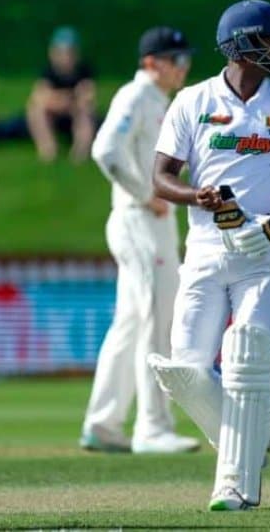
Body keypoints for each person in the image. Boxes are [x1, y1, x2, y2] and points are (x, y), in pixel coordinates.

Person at [147, 0, 270, 510]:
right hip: (207, 246)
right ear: (242, 44)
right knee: (185, 371)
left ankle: (234, 486)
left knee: (248, 356)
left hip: (268, 248)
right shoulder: (193, 100)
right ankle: (248, 432)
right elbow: (160, 178)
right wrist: (195, 195)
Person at [80, 27, 199, 455]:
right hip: (138, 221)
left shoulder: (160, 100)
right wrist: (146, 195)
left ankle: (103, 423)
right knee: (156, 319)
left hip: (151, 223)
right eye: (175, 59)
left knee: (130, 324)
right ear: (151, 62)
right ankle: (152, 427)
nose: (183, 67)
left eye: (185, 58)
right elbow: (105, 151)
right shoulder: (136, 95)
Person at [26, 26, 97, 163]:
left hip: (76, 112)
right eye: (61, 53)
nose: (66, 58)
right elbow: (39, 96)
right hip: (55, 112)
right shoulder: (48, 72)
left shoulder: (83, 71)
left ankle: (80, 151)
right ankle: (48, 149)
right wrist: (66, 98)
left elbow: (87, 95)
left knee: (86, 110)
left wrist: (63, 99)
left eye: (69, 53)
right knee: (35, 110)